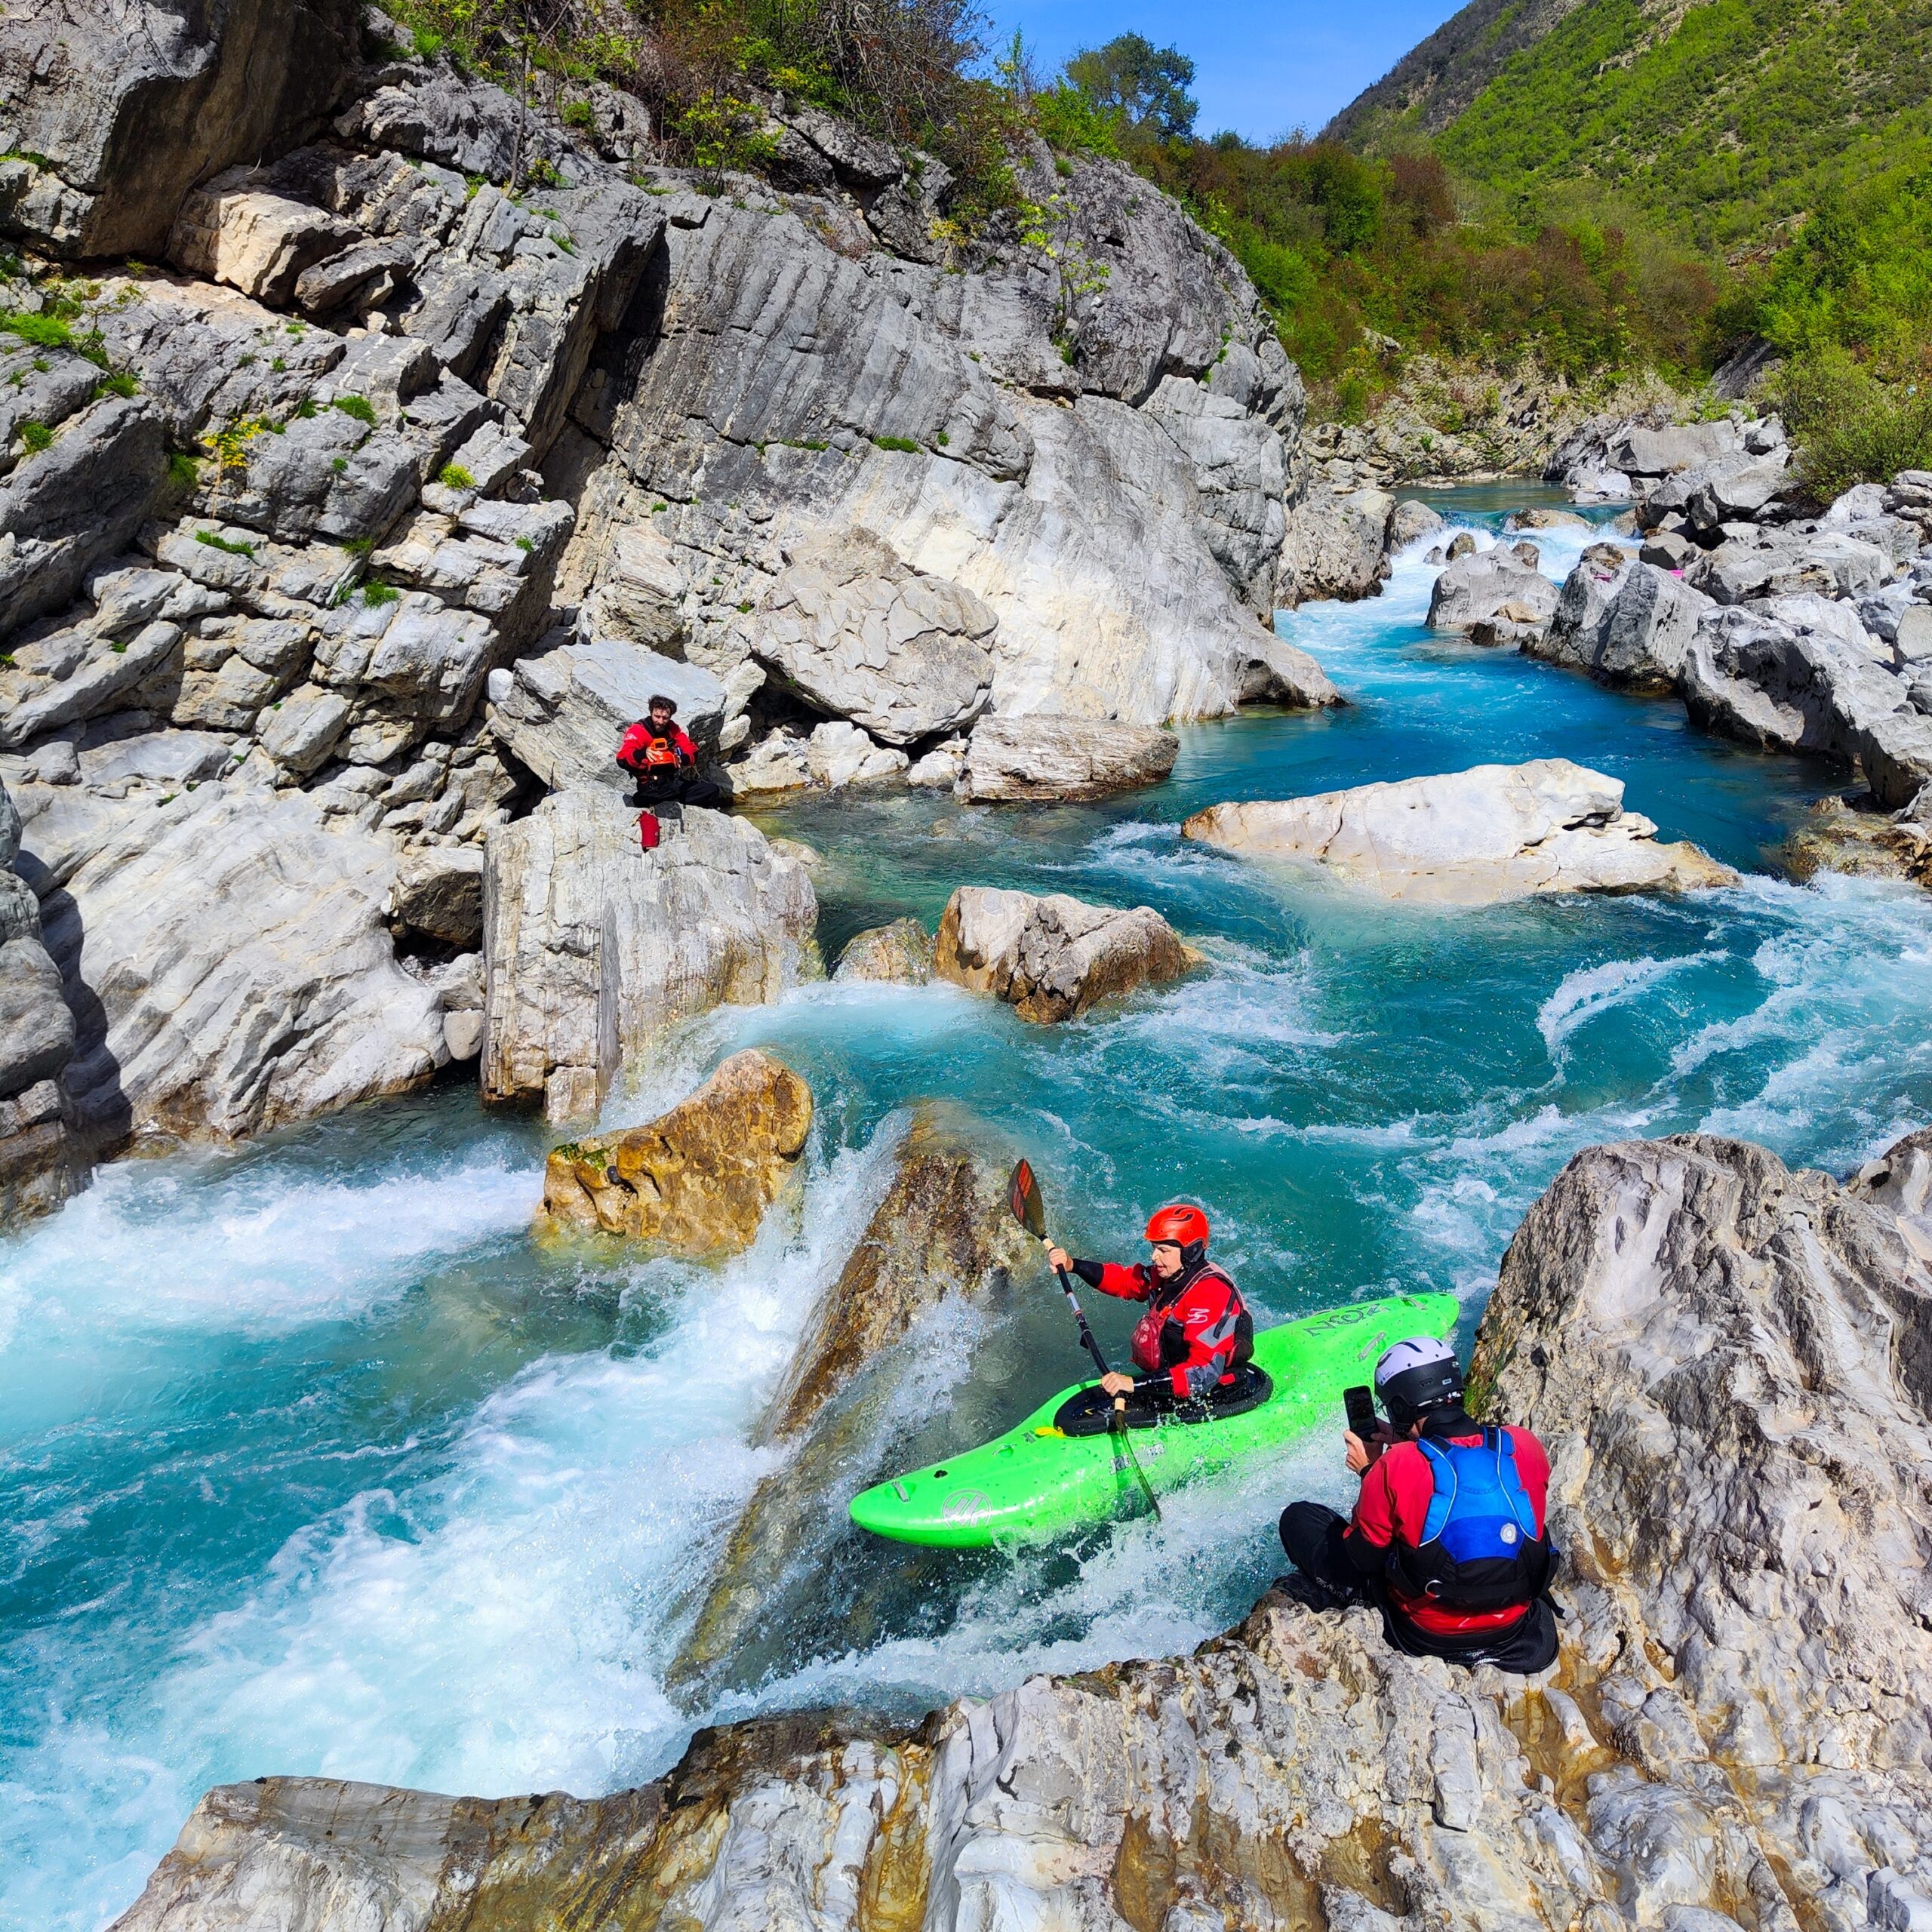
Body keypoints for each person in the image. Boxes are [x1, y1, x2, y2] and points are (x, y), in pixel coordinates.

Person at [1276, 1336, 1558, 1673]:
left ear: (1399, 1407)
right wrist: (1412, 1445)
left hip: (1428, 1634)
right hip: (1513, 1627)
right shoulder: (1524, 1444)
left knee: (1299, 1518)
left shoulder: (1393, 1465)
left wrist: (1369, 1470)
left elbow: (1363, 1557)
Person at [1047, 1204, 1253, 1409]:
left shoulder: (1209, 1295)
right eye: (1154, 1248)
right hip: (1171, 1380)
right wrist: (1073, 1265)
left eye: (1163, 1250)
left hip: (1213, 1390)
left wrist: (1134, 1384)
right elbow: (1125, 1281)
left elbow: (1203, 1372)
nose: (1154, 1257)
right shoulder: (1169, 1274)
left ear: (1191, 1251)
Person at [616, 694, 722, 811]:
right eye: (657, 716)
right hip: (651, 787)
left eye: (665, 718)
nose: (660, 721)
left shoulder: (673, 729)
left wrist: (681, 758)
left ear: (670, 717)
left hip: (674, 783)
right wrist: (643, 753)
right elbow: (622, 758)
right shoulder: (638, 731)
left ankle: (679, 802)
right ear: (651, 712)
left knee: (712, 790)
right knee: (650, 798)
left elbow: (691, 750)